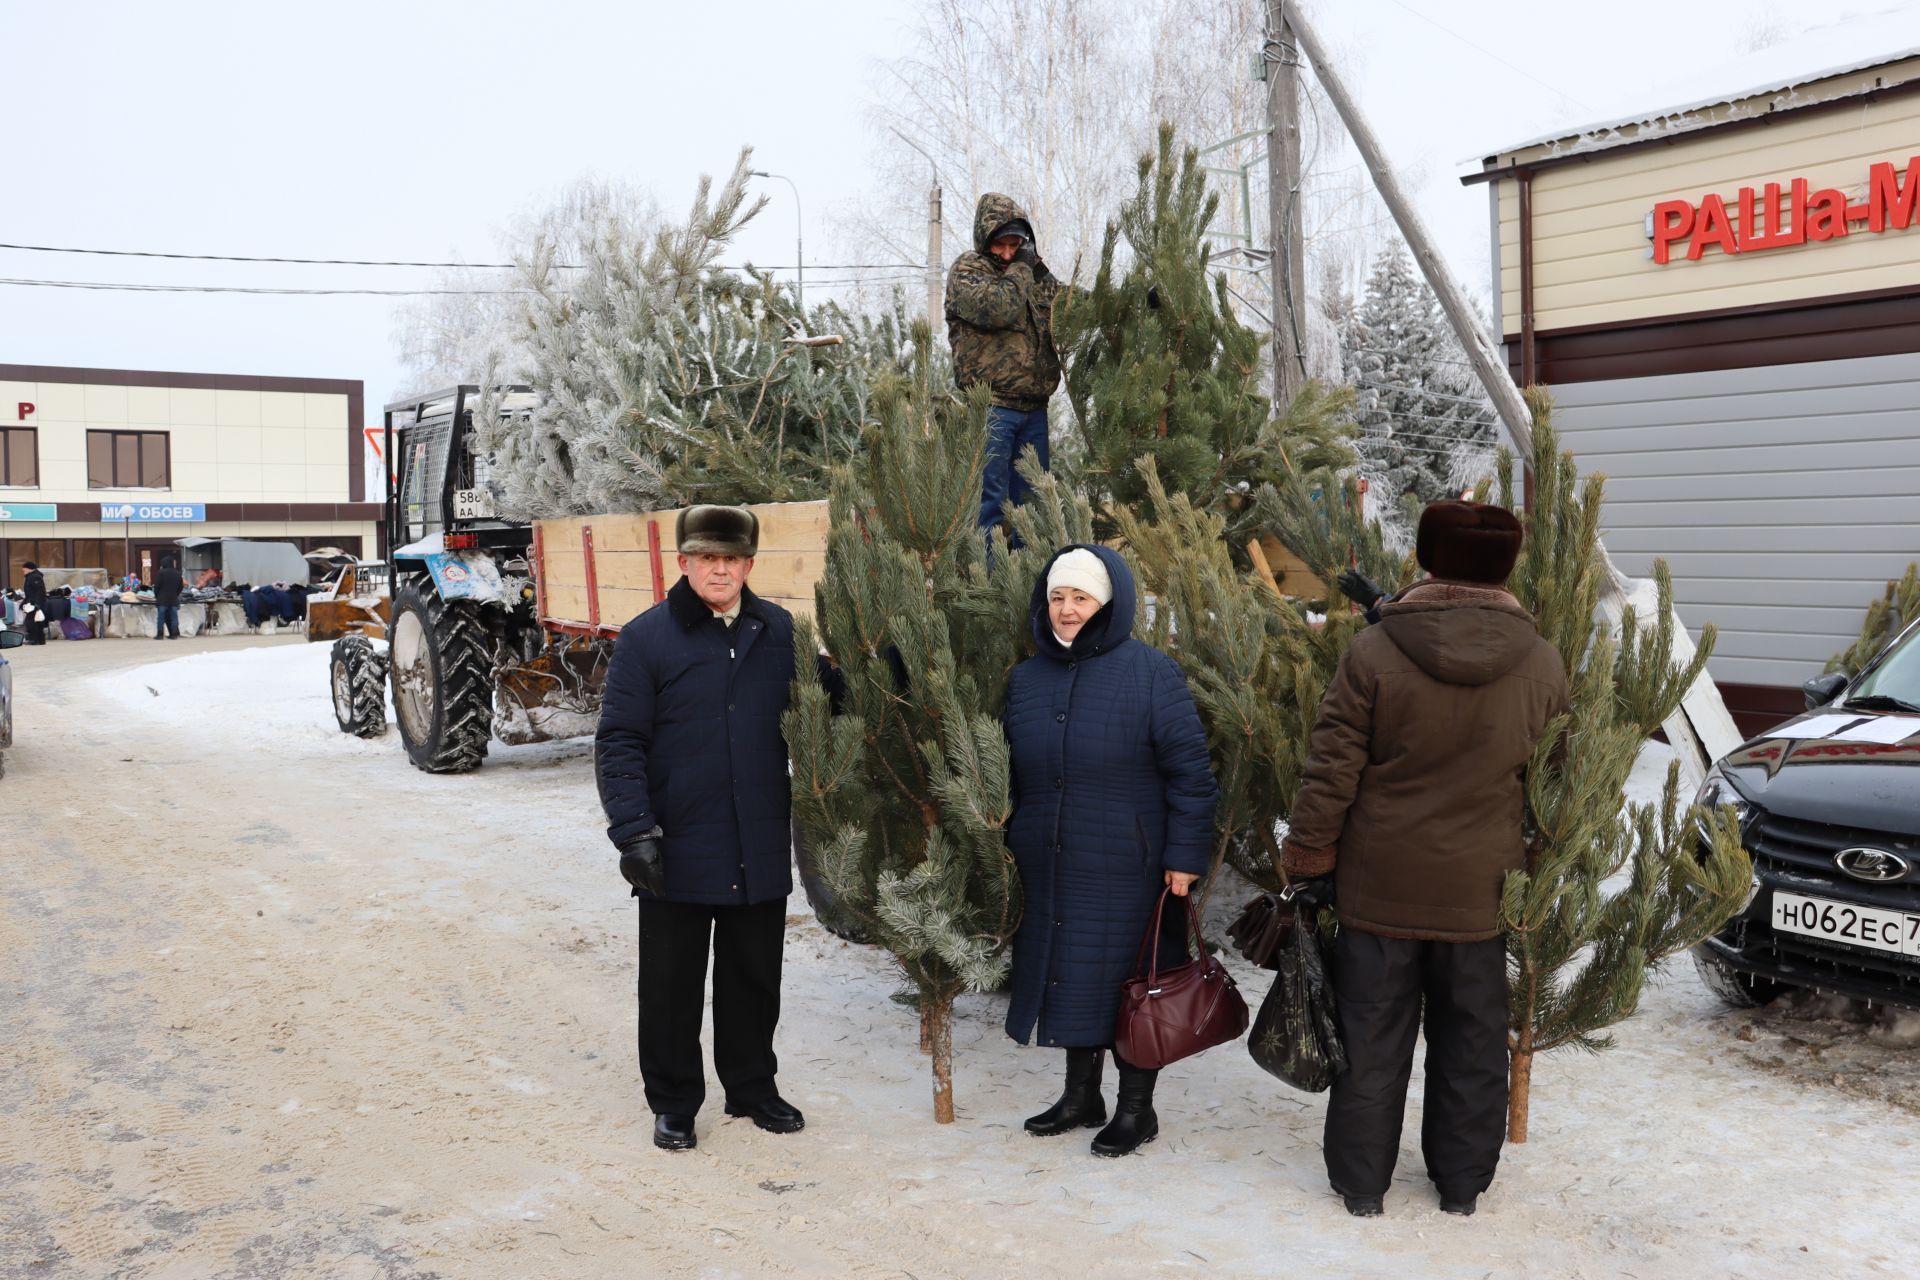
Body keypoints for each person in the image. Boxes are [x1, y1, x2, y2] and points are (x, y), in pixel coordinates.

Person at [1281, 501, 1571, 1219]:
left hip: (1380, 889)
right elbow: (1558, 782)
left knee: (1370, 1040)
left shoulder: (1373, 654)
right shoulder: (1541, 663)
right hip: (1483, 891)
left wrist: (1309, 858)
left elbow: (1330, 771)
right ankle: (1462, 1184)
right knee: (1472, 1047)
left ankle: (1361, 1184)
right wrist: (1540, 870)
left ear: (1427, 558)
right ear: (1508, 566)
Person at [595, 504, 804, 1153]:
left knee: (753, 977)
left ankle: (750, 1086)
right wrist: (634, 831)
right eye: (706, 558)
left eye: (732, 558)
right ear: (683, 562)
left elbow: (823, 704)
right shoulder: (647, 638)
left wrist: (878, 670)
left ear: (748, 564)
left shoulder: (778, 632)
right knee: (670, 987)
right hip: (676, 846)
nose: (719, 569)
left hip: (757, 838)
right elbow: (620, 741)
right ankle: (675, 1102)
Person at [1002, 544, 1219, 1157]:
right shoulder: (1026, 679)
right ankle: (1080, 1096)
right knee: (1071, 974)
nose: (1067, 610)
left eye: (1080, 597)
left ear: (1109, 602)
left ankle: (1135, 1110)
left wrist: (1184, 858)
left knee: (1130, 985)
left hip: (1131, 863)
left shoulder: (1151, 672)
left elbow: (1192, 777)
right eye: (1057, 597)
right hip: (1053, 859)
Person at [946, 193, 1067, 543]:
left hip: (1033, 411)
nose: (1009, 253)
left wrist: (1131, 302)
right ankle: (987, 589)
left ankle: (1026, 590)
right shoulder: (968, 271)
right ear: (986, 240)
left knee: (1032, 510)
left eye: (1016, 244)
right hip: (992, 408)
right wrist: (1024, 268)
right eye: (1002, 244)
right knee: (989, 507)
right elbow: (1000, 308)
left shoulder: (1027, 275)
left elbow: (1071, 305)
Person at [153, 555, 184, 640]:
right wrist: (176, 594)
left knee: (161, 618)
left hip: (162, 599)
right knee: (174, 618)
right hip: (173, 599)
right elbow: (181, 586)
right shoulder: (177, 573)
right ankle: (174, 634)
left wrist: (157, 596)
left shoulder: (161, 573)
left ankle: (160, 635)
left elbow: (157, 586)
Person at [21, 561, 47, 645]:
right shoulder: (32, 576)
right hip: (33, 602)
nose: (23, 571)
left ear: (29, 569)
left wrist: (36, 604)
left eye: (24, 569)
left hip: (34, 603)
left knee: (31, 621)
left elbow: (39, 592)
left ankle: (33, 639)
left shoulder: (34, 577)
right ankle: (40, 640)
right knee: (37, 621)